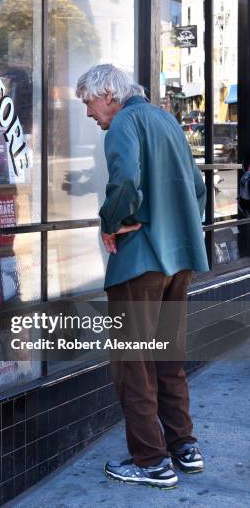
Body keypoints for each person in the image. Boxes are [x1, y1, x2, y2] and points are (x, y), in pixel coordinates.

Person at [75, 64, 209, 489]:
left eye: (89, 103)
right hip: (180, 260)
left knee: (133, 363)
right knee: (169, 359)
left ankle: (151, 462)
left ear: (109, 93)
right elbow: (199, 188)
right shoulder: (167, 119)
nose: (89, 113)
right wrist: (180, 225)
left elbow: (126, 181)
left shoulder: (124, 123)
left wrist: (111, 222)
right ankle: (184, 447)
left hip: (140, 264)